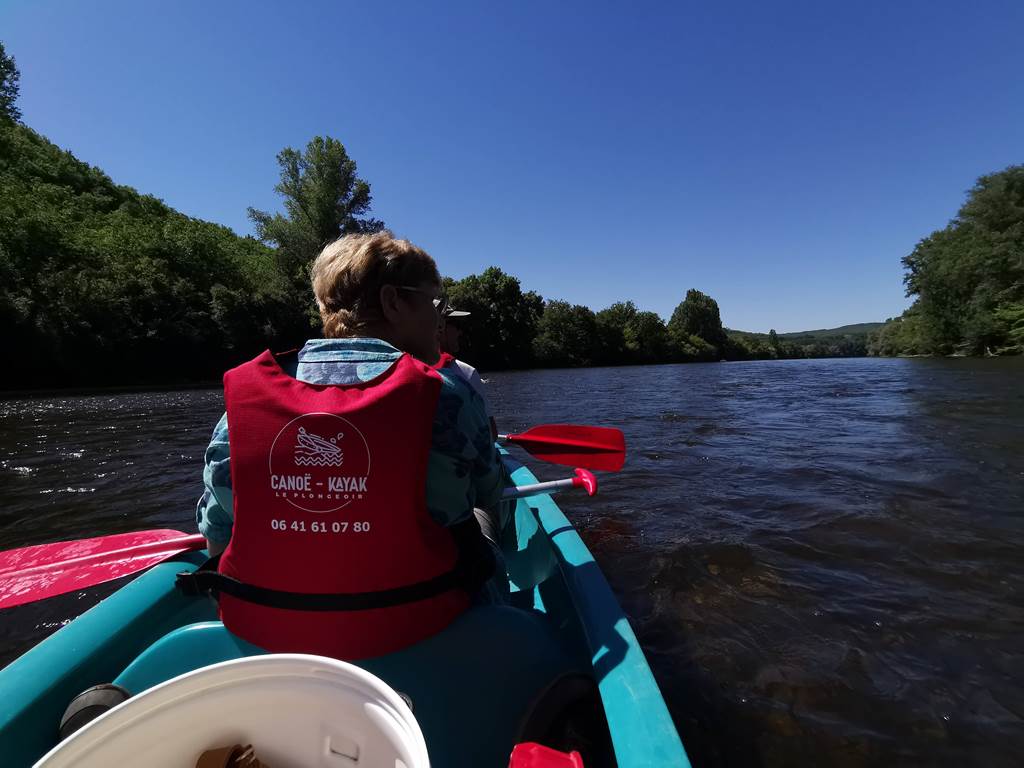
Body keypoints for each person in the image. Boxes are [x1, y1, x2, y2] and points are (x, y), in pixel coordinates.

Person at [190, 231, 505, 660]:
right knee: (485, 520)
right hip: (420, 621)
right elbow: (488, 493)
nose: (440, 321)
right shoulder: (446, 394)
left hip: (265, 629)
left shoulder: (245, 402)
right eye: (436, 305)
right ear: (394, 301)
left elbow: (216, 533)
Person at [434, 304, 498, 441]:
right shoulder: (466, 372)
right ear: (440, 326)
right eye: (457, 325)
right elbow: (491, 434)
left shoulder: (403, 368)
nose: (460, 332)